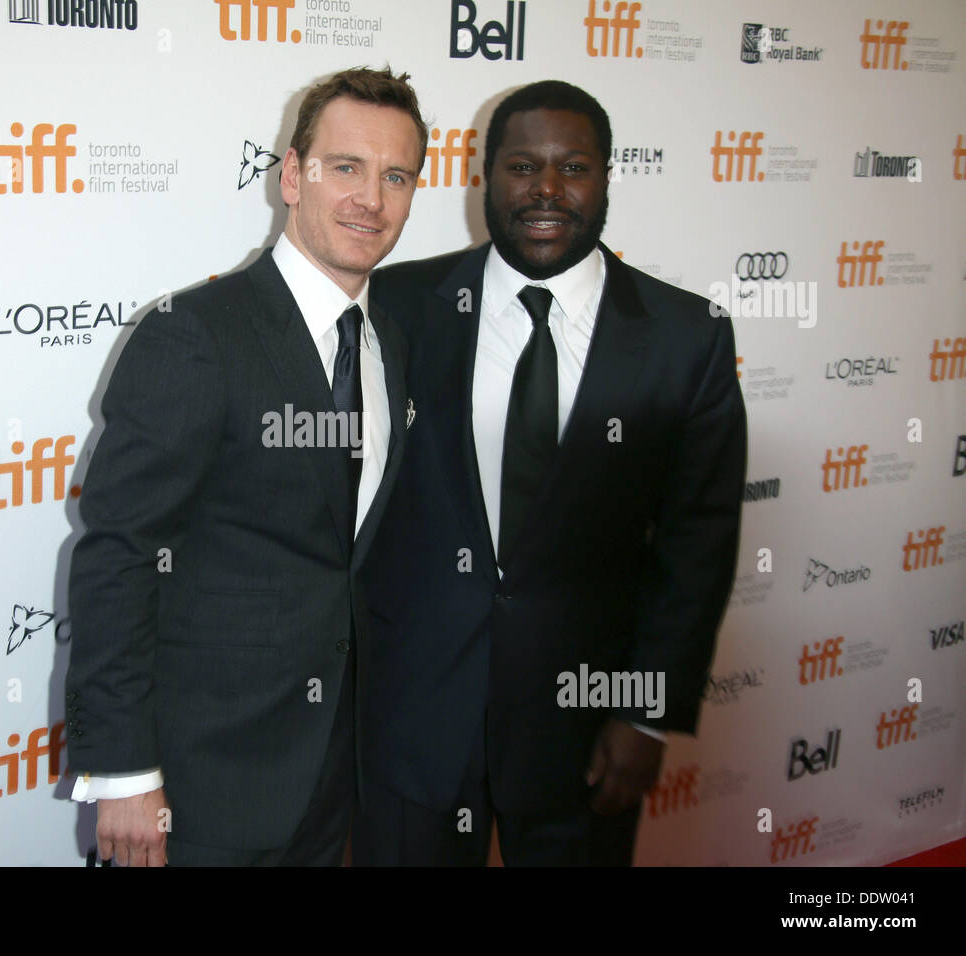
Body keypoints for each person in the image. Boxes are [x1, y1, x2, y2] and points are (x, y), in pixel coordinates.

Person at [353, 80, 747, 866]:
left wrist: (643, 715)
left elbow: (696, 543)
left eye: (574, 168)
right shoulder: (395, 302)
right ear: (485, 176)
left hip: (587, 725)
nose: (546, 190)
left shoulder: (684, 336)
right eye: (522, 166)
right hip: (412, 719)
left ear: (605, 178)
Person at [63, 66, 426, 866]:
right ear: (292, 176)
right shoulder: (195, 334)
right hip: (198, 784)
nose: (371, 197)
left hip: (330, 776)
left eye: (395, 176)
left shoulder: (388, 344)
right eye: (345, 167)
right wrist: (123, 769)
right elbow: (118, 552)